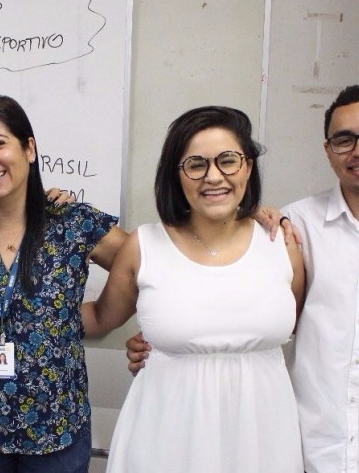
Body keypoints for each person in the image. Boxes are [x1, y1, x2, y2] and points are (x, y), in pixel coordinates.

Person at [128, 86, 359, 473]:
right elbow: (246, 301)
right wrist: (165, 341)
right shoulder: (292, 228)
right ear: (328, 150)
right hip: (308, 444)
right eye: (344, 140)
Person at [82, 106, 305, 473]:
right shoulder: (144, 245)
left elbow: (297, 320)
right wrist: (22, 317)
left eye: (228, 160)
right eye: (196, 164)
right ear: (177, 175)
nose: (213, 176)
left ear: (248, 166)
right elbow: (101, 317)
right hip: (166, 433)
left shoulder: (281, 241)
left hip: (262, 434)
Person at [0, 94, 126, 472]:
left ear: (29, 148)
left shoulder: (73, 223)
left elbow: (145, 263)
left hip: (55, 426)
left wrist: (99, 316)